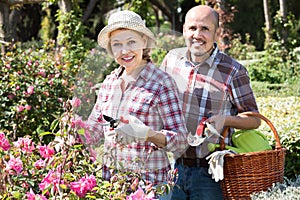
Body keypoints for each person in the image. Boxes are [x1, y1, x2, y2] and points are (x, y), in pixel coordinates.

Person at [160, 5, 261, 200]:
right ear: (183, 30)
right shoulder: (171, 60)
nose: (197, 35)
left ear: (217, 33)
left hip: (211, 173)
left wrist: (225, 120)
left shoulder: (233, 71)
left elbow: (254, 119)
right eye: (192, 28)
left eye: (205, 29)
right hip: (172, 168)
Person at [84, 10, 188, 197]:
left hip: (151, 188)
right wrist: (72, 131)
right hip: (112, 185)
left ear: (144, 42)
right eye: (117, 44)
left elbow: (180, 141)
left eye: (131, 42)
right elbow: (94, 129)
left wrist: (147, 134)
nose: (125, 51)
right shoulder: (109, 82)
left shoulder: (161, 83)